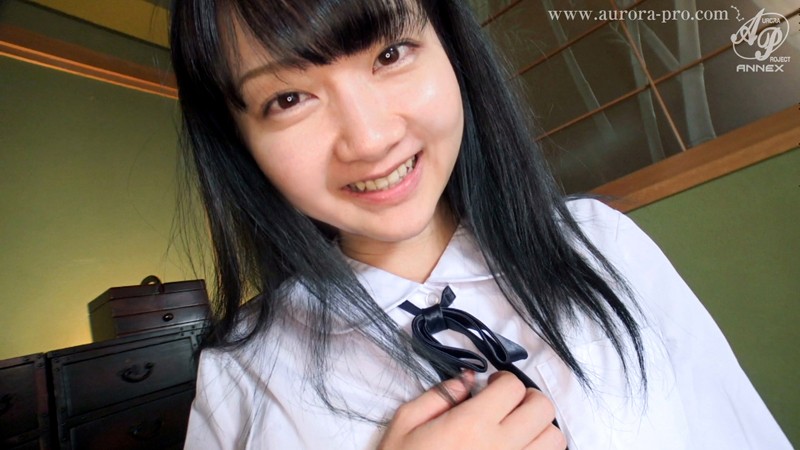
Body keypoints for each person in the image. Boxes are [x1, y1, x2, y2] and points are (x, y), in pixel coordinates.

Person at [169, 0, 791, 449]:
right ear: (239, 139)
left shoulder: (603, 244)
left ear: (451, 49)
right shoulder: (242, 379)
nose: (370, 138)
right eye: (288, 99)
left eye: (390, 53)